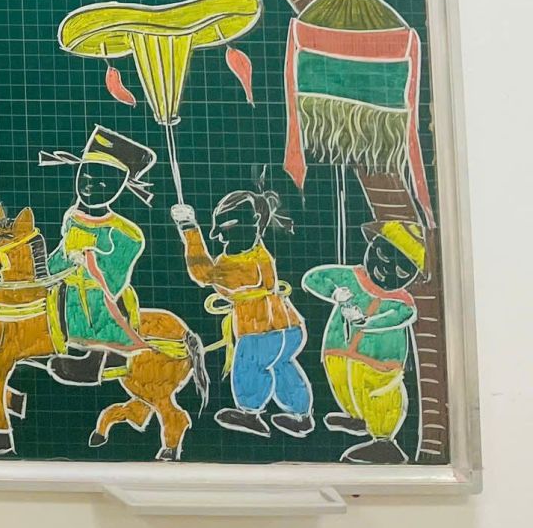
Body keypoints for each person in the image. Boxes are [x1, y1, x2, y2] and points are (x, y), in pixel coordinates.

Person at [171, 174, 314, 438]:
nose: (218, 236)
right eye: (217, 228)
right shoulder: (258, 252)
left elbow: (204, 274)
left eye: (226, 227)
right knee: (282, 366)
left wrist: (190, 229)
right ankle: (301, 415)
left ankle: (250, 413)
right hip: (289, 327)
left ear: (254, 222)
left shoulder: (243, 262)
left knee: (248, 365)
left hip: (261, 331)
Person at [301, 219, 427, 464]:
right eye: (381, 255)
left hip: (378, 363)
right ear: (372, 246)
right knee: (344, 386)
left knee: (380, 395)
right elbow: (313, 278)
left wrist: (365, 322)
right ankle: (357, 419)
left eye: (401, 271)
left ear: (412, 275)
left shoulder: (401, 301)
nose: (384, 270)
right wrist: (334, 292)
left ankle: (384, 442)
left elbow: (399, 316)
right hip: (338, 351)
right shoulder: (351, 277)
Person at [40, 125, 157, 385]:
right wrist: (53, 265)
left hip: (98, 291)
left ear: (119, 187)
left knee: (95, 303)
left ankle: (93, 362)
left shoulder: (126, 233)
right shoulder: (72, 217)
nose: (90, 186)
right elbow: (59, 256)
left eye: (102, 183)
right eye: (86, 177)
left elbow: (116, 274)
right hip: (65, 286)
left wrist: (90, 258)